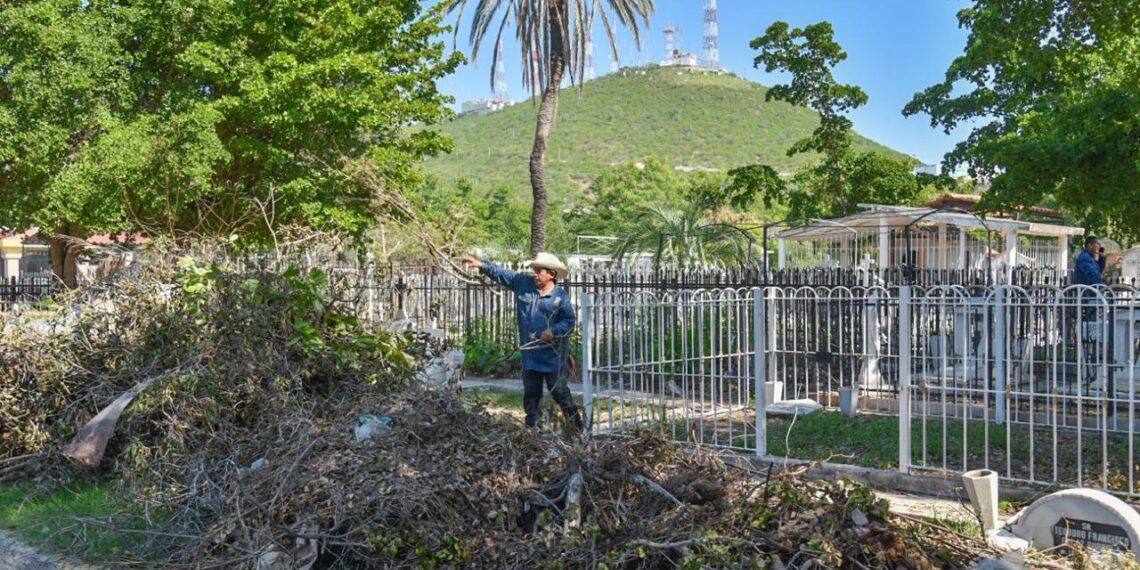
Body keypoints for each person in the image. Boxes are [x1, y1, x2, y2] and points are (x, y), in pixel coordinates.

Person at [462, 252, 584, 431]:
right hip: (531, 356)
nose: (535, 274)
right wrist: (482, 265)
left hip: (554, 357)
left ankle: (577, 429)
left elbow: (569, 321)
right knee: (531, 395)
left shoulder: (561, 297)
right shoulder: (523, 284)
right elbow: (502, 274)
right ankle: (533, 432)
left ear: (552, 274)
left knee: (559, 392)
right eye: (534, 270)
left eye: (539, 271)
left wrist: (554, 331)